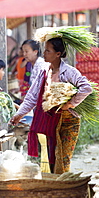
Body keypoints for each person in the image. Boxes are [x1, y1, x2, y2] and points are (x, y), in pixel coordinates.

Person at [10, 28, 93, 174]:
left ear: (58, 54)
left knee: (62, 158)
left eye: (48, 51)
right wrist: (19, 115)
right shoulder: (44, 72)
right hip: (49, 122)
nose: (44, 53)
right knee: (49, 157)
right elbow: (32, 97)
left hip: (67, 122)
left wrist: (70, 103)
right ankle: (54, 186)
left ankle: (62, 188)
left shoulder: (69, 72)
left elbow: (86, 88)